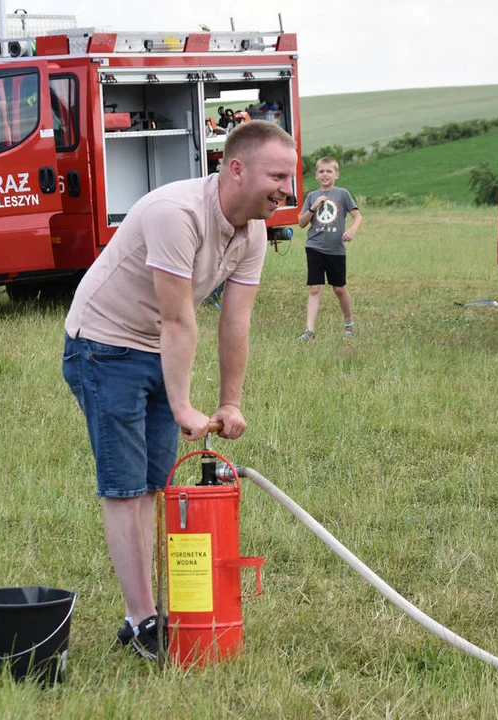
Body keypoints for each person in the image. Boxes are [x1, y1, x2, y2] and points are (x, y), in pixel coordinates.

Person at [61, 120, 297, 662]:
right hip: (104, 345)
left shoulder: (254, 231)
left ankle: (145, 614)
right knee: (126, 487)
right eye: (277, 175)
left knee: (154, 484)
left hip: (154, 348)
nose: (287, 188)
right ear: (236, 169)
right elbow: (177, 319)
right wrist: (184, 403)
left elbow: (235, 321)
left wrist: (231, 401)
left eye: (291, 175)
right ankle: (143, 620)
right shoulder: (177, 213)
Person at [297, 156, 362, 340]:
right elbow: (301, 223)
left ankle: (349, 323)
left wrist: (352, 230)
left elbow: (358, 217)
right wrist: (313, 208)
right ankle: (309, 331)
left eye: (329, 171)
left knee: (339, 288)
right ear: (316, 175)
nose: (325, 175)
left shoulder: (342, 194)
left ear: (336, 175)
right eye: (321, 171)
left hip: (336, 250)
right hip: (314, 247)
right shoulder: (311, 196)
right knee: (315, 288)